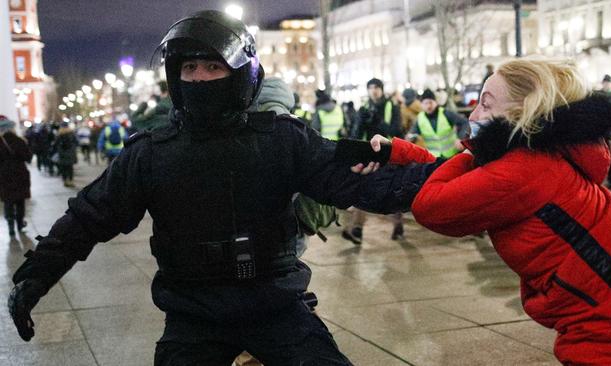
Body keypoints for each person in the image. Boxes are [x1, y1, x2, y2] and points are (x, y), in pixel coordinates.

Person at [7, 10, 439, 365]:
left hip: (276, 307)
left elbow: (365, 187)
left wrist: (455, 171)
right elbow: (90, 216)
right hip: (193, 316)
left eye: (213, 66)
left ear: (241, 74)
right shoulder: (152, 153)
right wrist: (36, 276)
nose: (199, 77)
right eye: (189, 67)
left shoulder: (282, 138)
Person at [367, 57, 611, 365]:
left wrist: (478, 148)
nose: (474, 114)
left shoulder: (526, 169)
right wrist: (401, 152)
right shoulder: (539, 155)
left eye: (486, 106)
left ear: (522, 112)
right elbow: (461, 177)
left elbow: (431, 206)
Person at [342, 78, 404, 244]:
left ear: (382, 89)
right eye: (371, 88)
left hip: (389, 154)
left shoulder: (392, 107)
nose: (374, 91)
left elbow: (397, 131)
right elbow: (355, 134)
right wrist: (360, 121)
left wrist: (379, 122)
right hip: (369, 154)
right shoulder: (364, 108)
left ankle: (398, 223)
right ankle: (357, 229)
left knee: (391, 191)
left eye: (377, 87)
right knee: (361, 188)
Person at [408, 88, 467, 158]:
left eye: (430, 102)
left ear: (435, 102)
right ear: (421, 104)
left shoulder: (445, 113)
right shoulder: (419, 119)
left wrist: (460, 138)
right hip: (433, 158)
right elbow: (412, 134)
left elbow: (464, 122)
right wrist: (410, 137)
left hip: (452, 155)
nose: (428, 106)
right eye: (425, 103)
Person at [0, 116, 32, 237]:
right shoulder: (19, 141)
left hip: (4, 176)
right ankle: (19, 224)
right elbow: (28, 158)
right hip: (20, 175)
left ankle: (10, 226)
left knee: (8, 201)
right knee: (20, 201)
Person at [53, 122, 78, 187]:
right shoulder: (72, 134)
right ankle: (71, 181)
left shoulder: (59, 135)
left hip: (62, 154)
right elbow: (76, 142)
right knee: (70, 168)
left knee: (63, 168)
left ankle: (65, 181)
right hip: (70, 153)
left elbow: (55, 144)